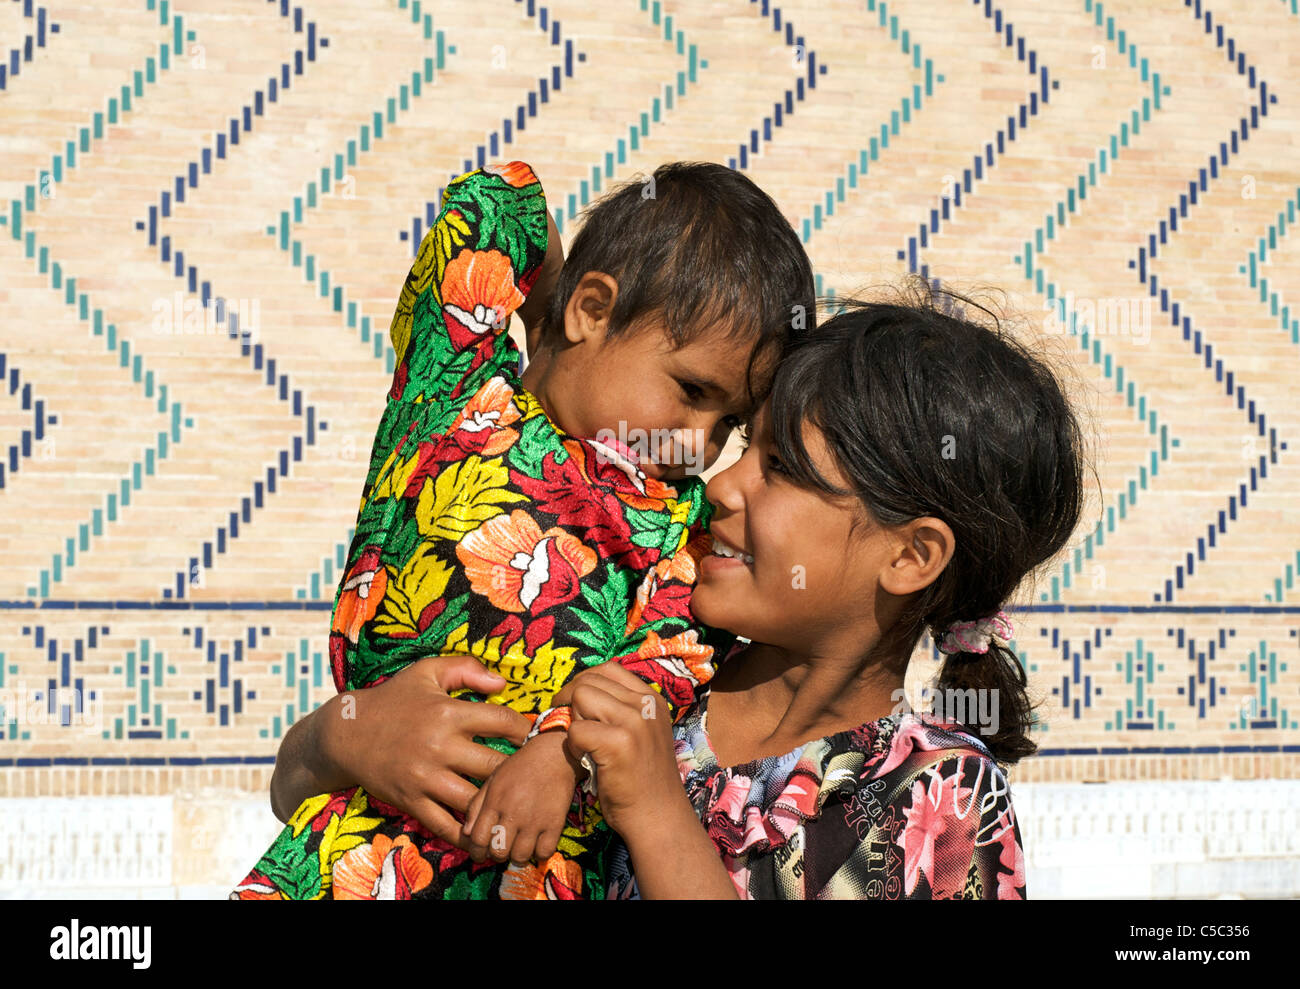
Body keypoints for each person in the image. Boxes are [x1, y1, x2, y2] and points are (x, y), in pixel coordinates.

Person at [231, 159, 815, 899]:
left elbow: (670, 654)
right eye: (692, 390)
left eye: (728, 420)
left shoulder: (683, 526)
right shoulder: (452, 396)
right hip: (346, 860)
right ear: (594, 310)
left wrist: (562, 750)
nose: (700, 441)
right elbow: (495, 206)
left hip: (536, 873)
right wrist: (550, 317)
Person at [572, 289, 1087, 898]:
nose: (722, 487)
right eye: (746, 447)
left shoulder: (940, 800)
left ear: (910, 555)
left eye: (783, 467)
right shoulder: (653, 653)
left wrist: (658, 815)